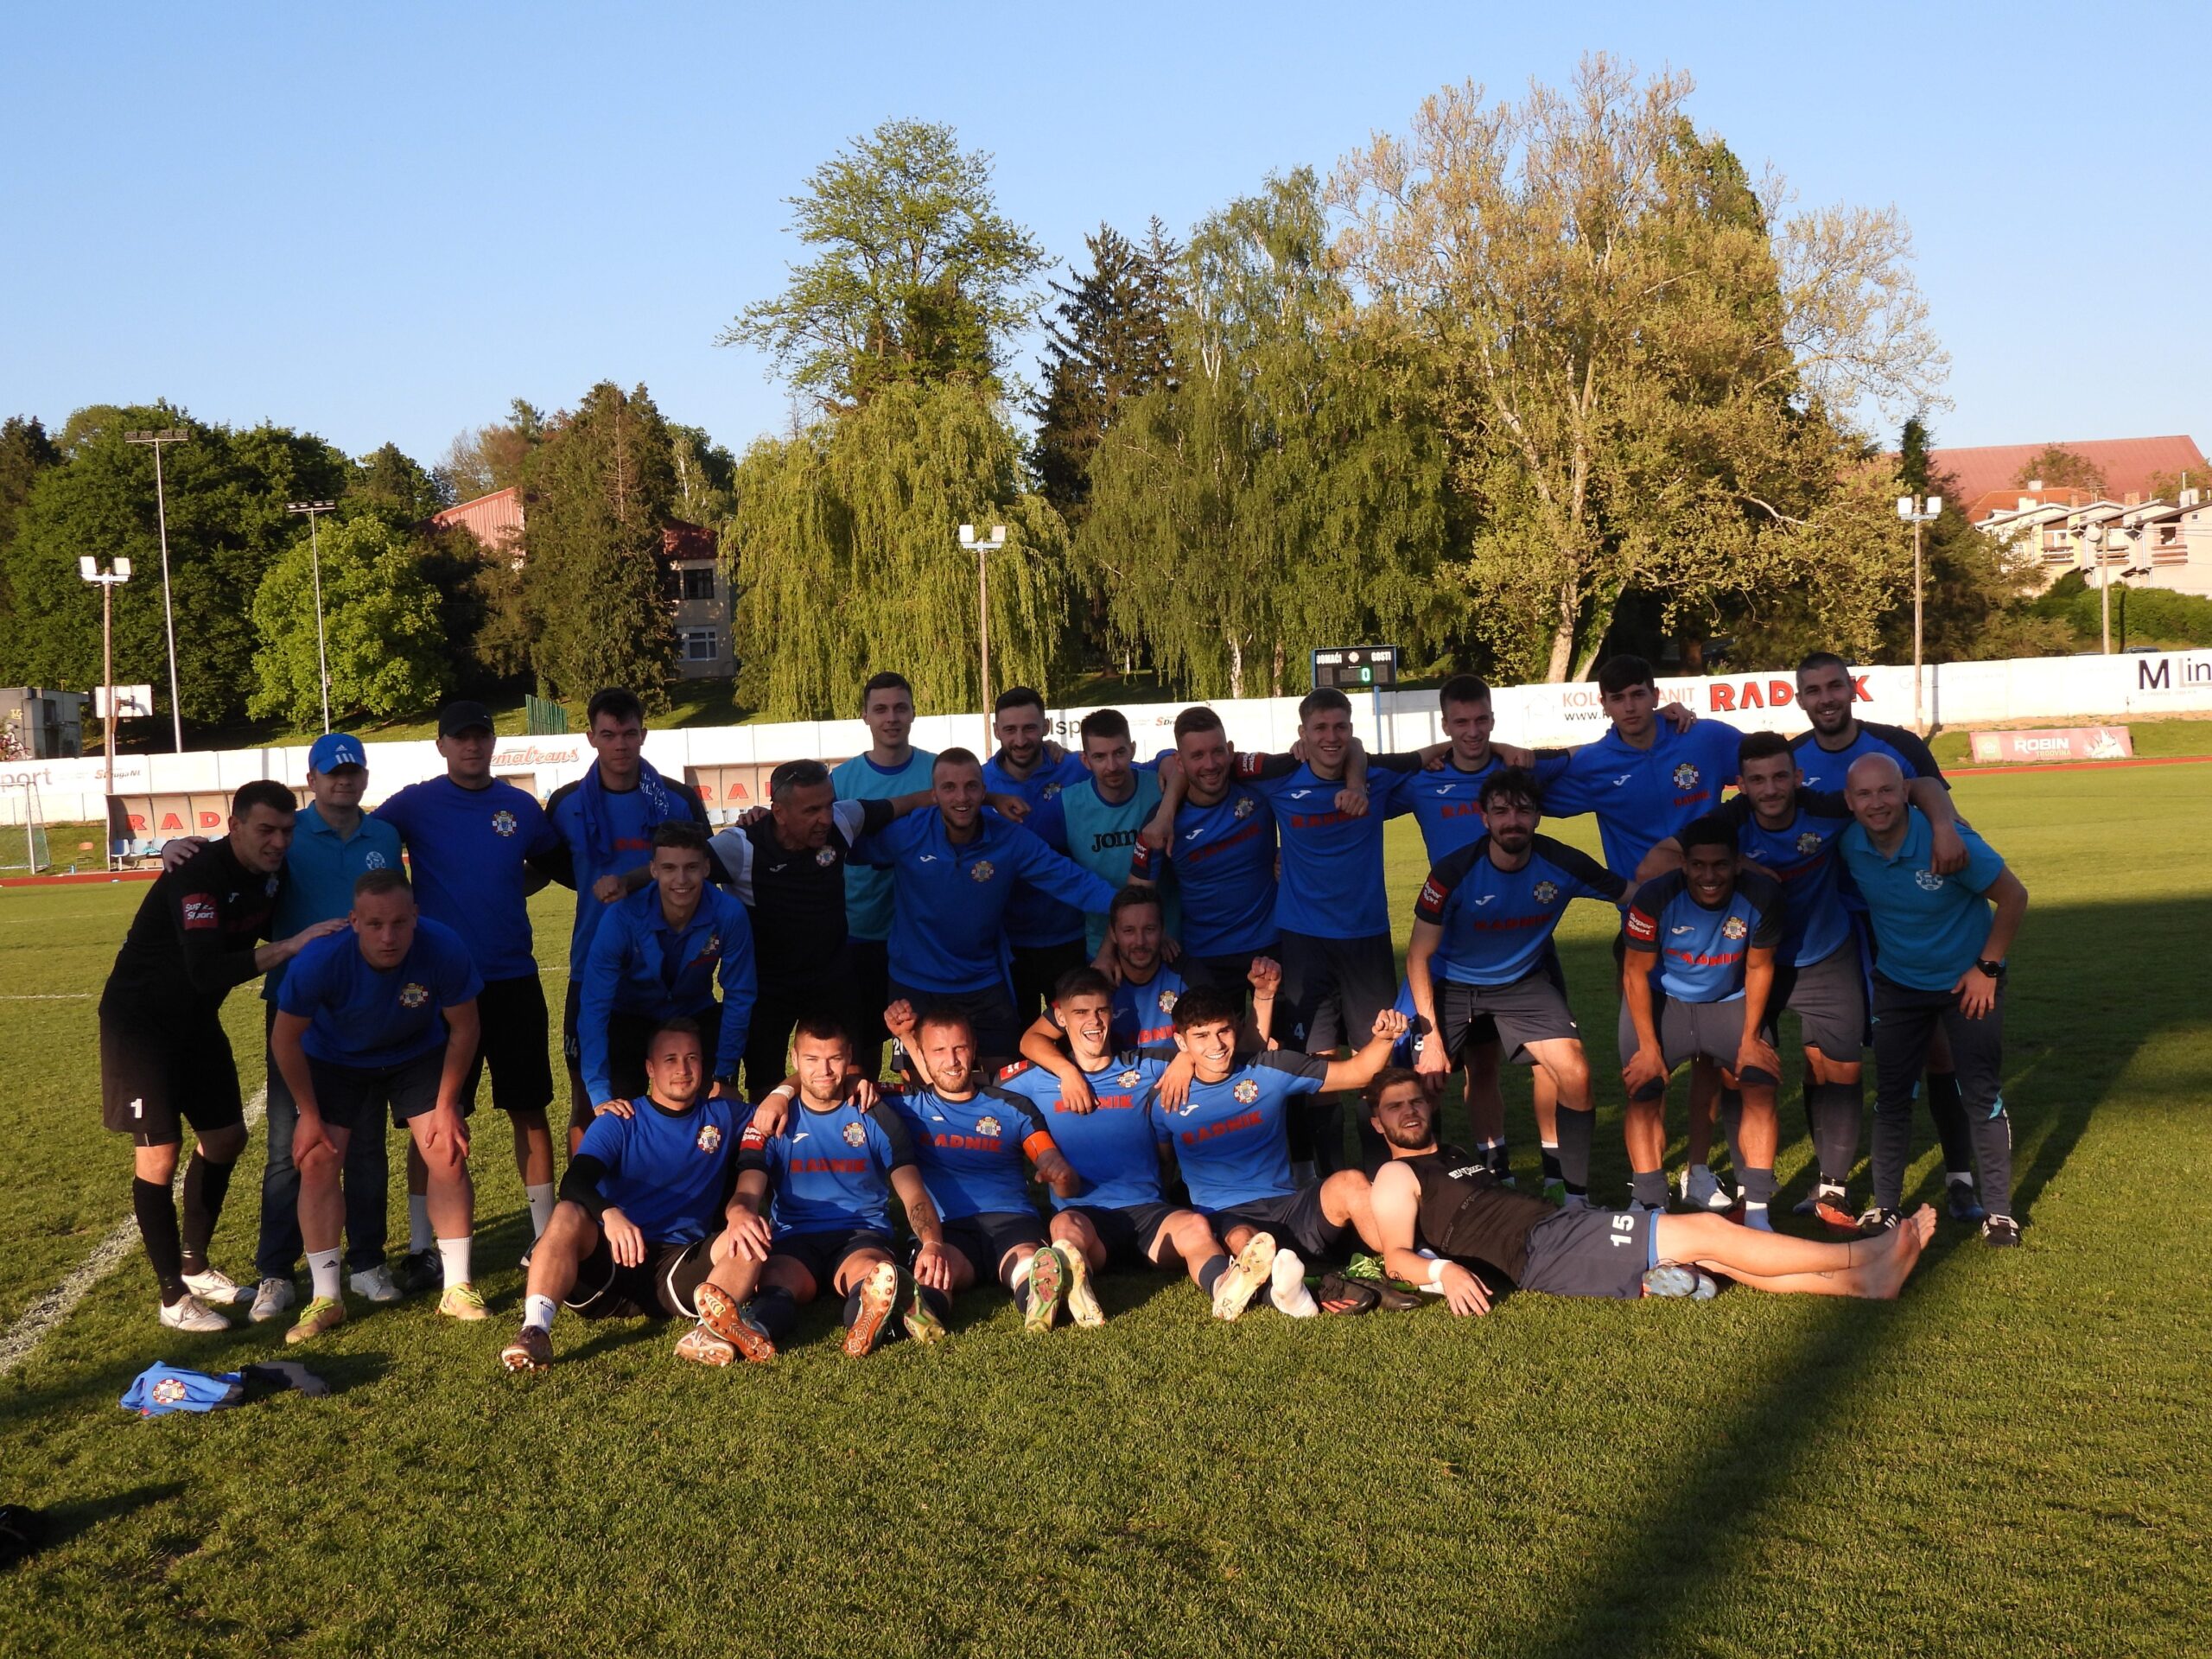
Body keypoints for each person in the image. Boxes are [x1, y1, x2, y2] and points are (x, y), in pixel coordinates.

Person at [1643, 730, 1962, 1224]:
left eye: (1779, 777)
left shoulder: (1825, 808)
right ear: (1741, 785)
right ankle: (1750, 1191)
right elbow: (1656, 863)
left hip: (1824, 957)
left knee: (1840, 1067)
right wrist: (1743, 864)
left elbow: (1918, 785)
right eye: (1757, 780)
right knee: (1742, 1069)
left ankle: (1831, 1188)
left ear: (1797, 777)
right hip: (1751, 965)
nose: (1770, 789)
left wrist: (1944, 824)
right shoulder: (1728, 821)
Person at [1362, 1071, 1938, 1311]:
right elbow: (1395, 1256)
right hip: (1542, 1250)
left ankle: (1867, 1285)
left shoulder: (1449, 1153)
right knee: (1709, 1230)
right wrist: (1445, 1273)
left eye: (1415, 1101)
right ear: (1377, 1123)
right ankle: (1863, 1255)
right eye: (1395, 1107)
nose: (1410, 1111)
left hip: (1555, 1232)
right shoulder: (1394, 1176)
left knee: (1715, 1255)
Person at [99, 780, 345, 1331]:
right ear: (234, 827)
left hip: (195, 1020)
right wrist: (292, 946)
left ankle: (195, 1267)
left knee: (227, 1138)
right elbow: (207, 971)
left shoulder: (272, 872)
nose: (278, 841)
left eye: (286, 831)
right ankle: (173, 1299)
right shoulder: (197, 874)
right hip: (141, 1024)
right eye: (265, 830)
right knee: (159, 1154)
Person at [373, 700, 568, 1286]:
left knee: (528, 1107)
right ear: (441, 745)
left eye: (481, 735)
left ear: (492, 743)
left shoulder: (520, 807)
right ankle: (420, 1246)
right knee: (432, 1115)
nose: (472, 745)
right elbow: (361, 842)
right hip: (439, 987)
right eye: (460, 737)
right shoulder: (413, 803)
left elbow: (552, 864)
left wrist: (505, 884)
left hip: (512, 979)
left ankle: (545, 1238)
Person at [1790, 651, 1985, 1216]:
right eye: (1813, 690)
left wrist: (1944, 824)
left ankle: (1959, 1178)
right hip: (1829, 927)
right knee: (1822, 1055)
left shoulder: (1897, 744)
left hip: (1901, 919)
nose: (1826, 699)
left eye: (1835, 686)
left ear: (1852, 689)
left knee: (1937, 1051)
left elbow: (1932, 795)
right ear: (1800, 700)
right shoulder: (1793, 759)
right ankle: (1830, 1183)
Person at [709, 758, 1006, 1097]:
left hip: (831, 976)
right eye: (811, 810)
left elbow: (913, 801)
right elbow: (679, 870)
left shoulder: (843, 819)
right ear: (778, 812)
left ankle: (851, 1130)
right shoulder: (740, 846)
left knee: (851, 1076)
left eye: (828, 804)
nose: (825, 818)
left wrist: (992, 799)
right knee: (766, 1084)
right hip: (769, 986)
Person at [271, 869, 484, 1340]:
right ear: (354, 921)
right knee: (318, 1159)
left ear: (416, 916)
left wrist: (447, 1104)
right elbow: (285, 1039)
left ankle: (458, 1287)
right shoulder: (321, 959)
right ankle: (326, 1298)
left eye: (399, 923)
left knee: (446, 1151)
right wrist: (308, 1115)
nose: (388, 937)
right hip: (335, 1059)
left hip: (415, 1052)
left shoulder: (443, 947)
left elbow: (465, 1027)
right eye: (374, 924)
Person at [1404, 767, 1625, 1207]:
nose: (1513, 820)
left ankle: (1574, 1197)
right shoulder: (1453, 872)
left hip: (1521, 983)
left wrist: (1696, 886)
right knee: (1418, 1086)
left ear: (1538, 817)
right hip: (1452, 984)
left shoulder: (1563, 862)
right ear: (1484, 817)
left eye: (1523, 811)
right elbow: (1417, 957)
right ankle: (1431, 1193)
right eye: (1501, 811)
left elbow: (1635, 894)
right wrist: (1432, 1040)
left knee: (1575, 1072)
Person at [499, 1020, 773, 1372]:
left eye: (692, 1058)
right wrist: (610, 1214)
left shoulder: (723, 1116)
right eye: (670, 1059)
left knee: (751, 1232)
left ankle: (707, 1334)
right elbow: (574, 1182)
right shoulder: (620, 1119)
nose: (683, 1069)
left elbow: (782, 1111)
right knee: (568, 1212)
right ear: (650, 1068)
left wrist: (785, 1091)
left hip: (680, 1268)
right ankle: (535, 1330)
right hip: (610, 1266)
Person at [1837, 754, 2029, 1247]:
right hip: (1899, 986)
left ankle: (2000, 1213)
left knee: (1980, 1094)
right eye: (1864, 794)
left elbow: (2014, 896)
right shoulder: (1851, 844)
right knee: (1893, 1096)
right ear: (1849, 802)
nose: (1877, 803)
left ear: (1904, 792)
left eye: (1886, 790)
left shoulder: (1949, 841)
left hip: (1968, 984)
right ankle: (1885, 1207)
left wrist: (1987, 968)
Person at [251, 734, 405, 1321]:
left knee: (365, 1142)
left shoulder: (384, 835)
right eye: (331, 772)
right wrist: (175, 846)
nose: (343, 781)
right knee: (288, 1145)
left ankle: (367, 1262)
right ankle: (275, 1271)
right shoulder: (287, 834)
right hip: (298, 1004)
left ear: (364, 776)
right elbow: (235, 858)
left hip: (366, 1006)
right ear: (311, 779)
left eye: (352, 771)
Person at [692, 1014, 953, 1357]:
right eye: (813, 1059)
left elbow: (913, 1192)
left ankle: (869, 1320)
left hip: (861, 1235)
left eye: (835, 1059)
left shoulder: (874, 1113)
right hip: (795, 1237)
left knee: (870, 1277)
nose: (824, 1071)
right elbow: (746, 1192)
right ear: (795, 1059)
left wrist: (932, 1242)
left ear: (849, 1058)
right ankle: (754, 1330)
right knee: (776, 1282)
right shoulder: (771, 1120)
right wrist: (740, 1213)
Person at [1149, 988, 1408, 1318]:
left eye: (1223, 1031)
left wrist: (1385, 1039)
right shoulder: (1166, 1099)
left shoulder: (1270, 1070)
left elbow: (1357, 1073)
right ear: (1181, 1042)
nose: (1216, 1045)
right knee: (1243, 1238)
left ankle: (1406, 1265)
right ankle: (1285, 1290)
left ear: (1236, 1027)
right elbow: (1163, 1162)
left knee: (1352, 1182)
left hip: (1289, 1206)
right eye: (1201, 1036)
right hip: (1225, 1215)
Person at [851, 748, 1120, 1064]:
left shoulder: (1009, 839)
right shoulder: (909, 832)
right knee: (919, 1083)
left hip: (981, 980)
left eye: (971, 787)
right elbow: (848, 843)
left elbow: (1073, 881)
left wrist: (1128, 909)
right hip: (915, 982)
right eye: (949, 788)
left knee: (1004, 1077)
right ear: (933, 794)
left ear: (983, 790)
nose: (961, 797)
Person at [543, 687, 713, 1149]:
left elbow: (705, 864)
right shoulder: (566, 804)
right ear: (591, 738)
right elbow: (552, 868)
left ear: (644, 734)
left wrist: (630, 880)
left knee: (684, 1095)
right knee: (590, 1099)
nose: (620, 744)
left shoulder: (676, 799)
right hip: (593, 970)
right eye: (609, 734)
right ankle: (586, 1190)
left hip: (670, 973)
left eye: (629, 734)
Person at [880, 1003, 1089, 1332]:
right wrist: (853, 1085)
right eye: (939, 1051)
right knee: (938, 1269)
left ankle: (1038, 1301)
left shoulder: (1012, 1106)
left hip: (1011, 1221)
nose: (952, 1061)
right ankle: (924, 1312)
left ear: (974, 1047)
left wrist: (1060, 1174)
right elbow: (833, 1088)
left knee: (1026, 1262)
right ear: (921, 1054)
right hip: (945, 1228)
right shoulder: (906, 1106)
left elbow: (1054, 1166)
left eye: (960, 1048)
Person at [1619, 819, 1788, 1226]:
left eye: (1720, 865)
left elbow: (1760, 967)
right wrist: (1649, 1048)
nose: (1709, 876)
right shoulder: (1654, 897)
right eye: (1698, 865)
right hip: (1666, 1001)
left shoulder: (1762, 896)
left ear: (1737, 864)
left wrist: (1751, 1038)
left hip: (1728, 1001)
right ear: (1683, 864)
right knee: (1644, 1087)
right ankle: (1650, 1203)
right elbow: (1634, 973)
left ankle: (1758, 1212)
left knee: (1760, 1082)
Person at [577, 821, 756, 1116]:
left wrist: (724, 1076)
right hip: (630, 1014)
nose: (681, 879)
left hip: (694, 1011)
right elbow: (595, 1005)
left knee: (711, 1114)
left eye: (692, 867)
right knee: (619, 1115)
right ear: (654, 870)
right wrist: (599, 1092)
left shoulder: (729, 914)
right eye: (670, 868)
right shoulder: (621, 918)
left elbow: (740, 994)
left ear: (707, 868)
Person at [1128, 706, 1280, 995]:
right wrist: (1155, 932)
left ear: (1230, 750)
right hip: (1206, 956)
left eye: (1217, 751)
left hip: (1272, 946)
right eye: (1197, 755)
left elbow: (1312, 768)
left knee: (1286, 1027)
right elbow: (1135, 894)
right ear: (1179, 761)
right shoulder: (1160, 822)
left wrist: (1290, 856)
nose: (1210, 764)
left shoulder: (1258, 789)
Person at [831, 671, 937, 1078]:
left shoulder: (936, 769)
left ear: (913, 713)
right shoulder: (842, 780)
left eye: (899, 708)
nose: (891, 717)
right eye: (881, 709)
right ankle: (866, 1116)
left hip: (922, 934)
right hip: (858, 931)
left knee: (920, 1048)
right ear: (865, 716)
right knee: (861, 1055)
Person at [981, 687, 1096, 1022]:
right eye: (1010, 729)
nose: (1020, 740)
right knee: (1017, 1043)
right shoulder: (980, 784)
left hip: (1071, 937)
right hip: (1008, 943)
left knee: (1077, 1037)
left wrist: (1167, 761)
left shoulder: (1075, 768)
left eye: (1030, 728)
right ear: (996, 731)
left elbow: (1135, 769)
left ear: (1046, 727)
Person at [1027, 708, 1178, 957]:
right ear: (1085, 761)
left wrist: (1168, 758)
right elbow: (1035, 861)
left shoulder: (1162, 789)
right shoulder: (1065, 806)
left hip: (1167, 942)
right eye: (1099, 757)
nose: (1112, 766)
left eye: (1119, 753)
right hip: (1102, 949)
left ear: (1132, 749)